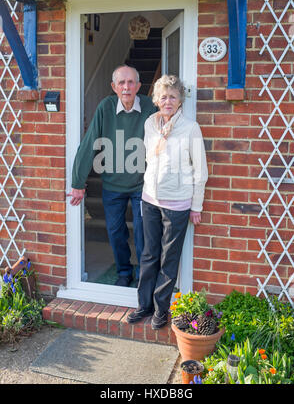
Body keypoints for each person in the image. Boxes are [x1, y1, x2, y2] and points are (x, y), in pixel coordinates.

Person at [127, 74, 208, 329]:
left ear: (180, 99)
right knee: (149, 254)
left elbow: (201, 171)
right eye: (163, 97)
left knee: (168, 258)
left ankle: (161, 310)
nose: (168, 101)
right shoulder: (150, 123)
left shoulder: (190, 127)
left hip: (178, 203)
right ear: (156, 99)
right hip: (150, 199)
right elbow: (150, 159)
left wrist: (196, 205)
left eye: (173, 96)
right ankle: (144, 305)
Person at [68, 65, 156, 287]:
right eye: (121, 83)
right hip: (112, 185)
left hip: (142, 185)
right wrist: (78, 183)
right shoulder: (106, 107)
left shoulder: (150, 106)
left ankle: (145, 275)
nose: (126, 87)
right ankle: (124, 272)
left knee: (143, 233)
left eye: (130, 83)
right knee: (116, 233)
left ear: (138, 86)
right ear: (114, 87)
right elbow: (89, 145)